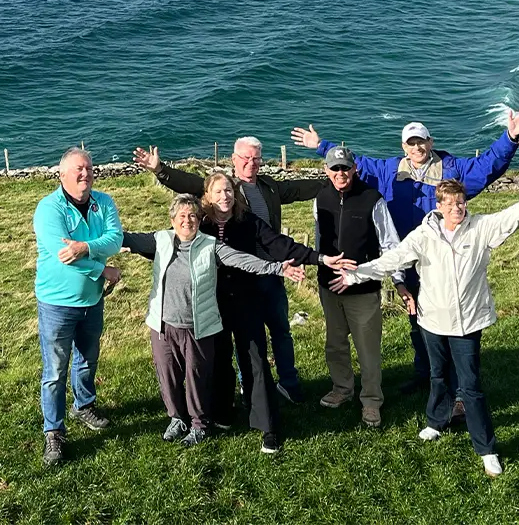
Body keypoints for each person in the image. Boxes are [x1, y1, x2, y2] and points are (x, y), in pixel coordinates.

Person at [341, 163, 519, 477]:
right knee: (438, 376)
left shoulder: (481, 228)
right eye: (449, 203)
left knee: (471, 386)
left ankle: (486, 449)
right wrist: (355, 275)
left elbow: (517, 214)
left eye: (461, 202)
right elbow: (392, 260)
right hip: (432, 321)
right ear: (439, 206)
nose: (456, 208)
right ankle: (436, 421)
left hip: (467, 324)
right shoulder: (424, 235)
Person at [291, 109, 519, 392]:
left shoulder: (451, 169)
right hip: (409, 258)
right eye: (411, 143)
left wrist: (510, 138)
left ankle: (459, 385)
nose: (417, 147)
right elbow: (353, 164)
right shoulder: (390, 171)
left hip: (444, 259)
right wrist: (321, 145)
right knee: (417, 317)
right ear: (403, 147)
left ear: (430, 142)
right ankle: (427, 375)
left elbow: (487, 166)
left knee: (451, 318)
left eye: (421, 141)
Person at [133, 137, 321, 403]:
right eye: (245, 158)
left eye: (256, 158)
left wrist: (332, 180)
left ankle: (289, 385)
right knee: (241, 339)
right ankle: (245, 389)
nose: (251, 163)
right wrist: (160, 170)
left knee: (280, 331)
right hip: (233, 280)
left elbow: (299, 189)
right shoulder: (223, 188)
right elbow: (187, 183)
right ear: (234, 159)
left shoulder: (269, 187)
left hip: (271, 273)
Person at [122, 194, 306, 448]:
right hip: (163, 325)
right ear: (172, 220)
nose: (187, 221)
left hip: (196, 326)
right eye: (182, 216)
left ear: (200, 220)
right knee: (168, 376)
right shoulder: (160, 240)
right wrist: (89, 243)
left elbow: (242, 260)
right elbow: (125, 238)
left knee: (196, 377)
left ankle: (199, 424)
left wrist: (276, 268)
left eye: (193, 216)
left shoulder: (210, 246)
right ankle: (177, 418)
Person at [196, 170, 356, 454]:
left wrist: (320, 258)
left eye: (229, 190)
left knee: (255, 360)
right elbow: (173, 242)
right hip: (212, 301)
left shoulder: (247, 221)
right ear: (207, 196)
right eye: (218, 191)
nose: (225, 196)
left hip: (246, 299)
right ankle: (223, 412)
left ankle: (268, 426)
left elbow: (279, 244)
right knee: (218, 358)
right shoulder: (201, 223)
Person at [32, 147, 124, 467]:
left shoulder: (104, 202)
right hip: (57, 304)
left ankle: (83, 405)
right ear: (62, 175)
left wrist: (85, 246)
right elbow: (63, 256)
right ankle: (53, 431)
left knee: (87, 359)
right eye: (78, 169)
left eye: (89, 168)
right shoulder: (48, 209)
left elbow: (115, 240)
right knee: (55, 371)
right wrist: (102, 269)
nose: (86, 174)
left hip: (92, 301)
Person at [313, 146, 409, 428]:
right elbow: (319, 238)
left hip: (363, 289)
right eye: (335, 168)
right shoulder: (320, 197)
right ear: (326, 171)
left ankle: (371, 400)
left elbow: (390, 244)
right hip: (329, 286)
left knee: (368, 349)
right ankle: (342, 388)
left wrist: (399, 281)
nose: (340, 173)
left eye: (345, 167)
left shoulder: (372, 199)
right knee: (335, 344)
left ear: (354, 169)